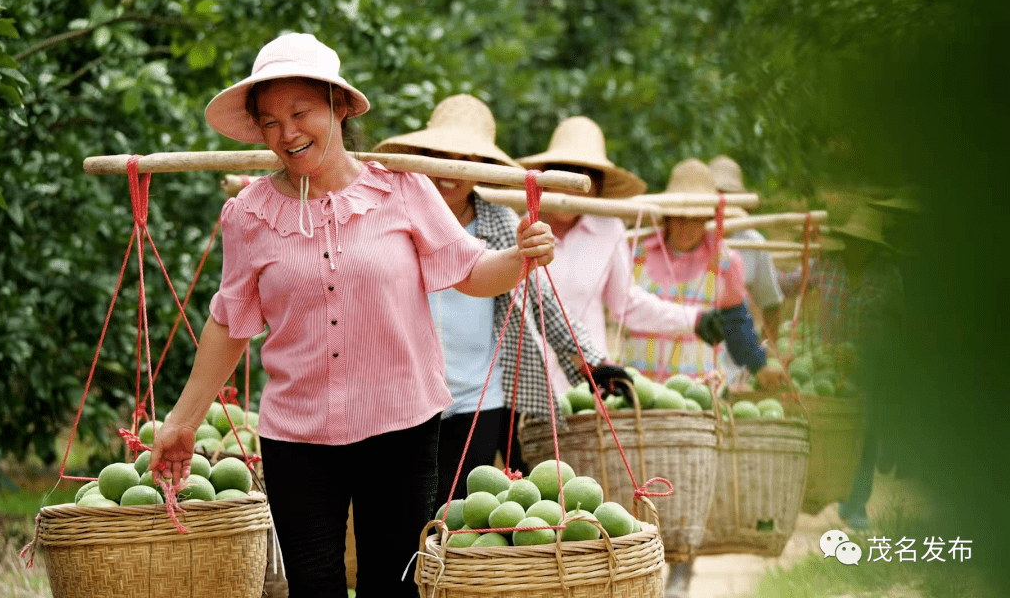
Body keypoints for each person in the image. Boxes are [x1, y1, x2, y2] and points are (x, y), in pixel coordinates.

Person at [148, 34, 558, 598]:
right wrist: (182, 421)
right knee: (313, 585)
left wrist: (522, 256)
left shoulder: (402, 189)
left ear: (338, 108)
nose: (287, 133)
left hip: (401, 424)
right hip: (297, 435)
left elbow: (471, 271)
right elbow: (230, 322)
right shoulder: (248, 216)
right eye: (269, 122)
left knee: (391, 584)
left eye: (300, 112)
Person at [373, 96, 627, 511]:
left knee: (457, 512)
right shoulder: (394, 216)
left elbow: (539, 299)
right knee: (405, 514)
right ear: (422, 158)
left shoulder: (500, 221)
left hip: (478, 395)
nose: (451, 171)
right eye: (440, 157)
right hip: (403, 394)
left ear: (479, 166)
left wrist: (592, 363)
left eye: (465, 159)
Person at [615, 159, 787, 598]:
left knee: (684, 482)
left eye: (697, 215)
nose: (688, 224)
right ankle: (636, 560)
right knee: (636, 476)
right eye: (680, 213)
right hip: (639, 386)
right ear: (666, 212)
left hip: (694, 392)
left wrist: (759, 364)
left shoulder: (724, 261)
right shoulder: (635, 252)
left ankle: (680, 569)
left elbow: (737, 324)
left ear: (709, 217)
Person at [514, 117, 735, 393]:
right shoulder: (519, 229)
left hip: (590, 381)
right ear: (546, 177)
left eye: (584, 175)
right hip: (522, 381)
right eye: (564, 171)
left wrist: (693, 319)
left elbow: (626, 304)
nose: (571, 182)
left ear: (596, 185)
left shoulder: (609, 230)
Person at [779, 204, 905, 531]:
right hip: (828, 363)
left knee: (867, 432)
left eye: (865, 243)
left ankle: (856, 504)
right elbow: (787, 285)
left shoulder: (887, 275)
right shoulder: (825, 265)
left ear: (874, 246)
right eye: (854, 241)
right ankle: (818, 492)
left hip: (869, 364)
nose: (858, 248)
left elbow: (902, 319)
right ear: (847, 241)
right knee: (823, 428)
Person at [708, 156, 786, 376]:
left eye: (728, 198)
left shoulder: (753, 242)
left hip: (735, 371)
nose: (721, 205)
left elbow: (770, 304)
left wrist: (760, 362)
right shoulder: (694, 239)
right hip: (690, 365)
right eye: (716, 197)